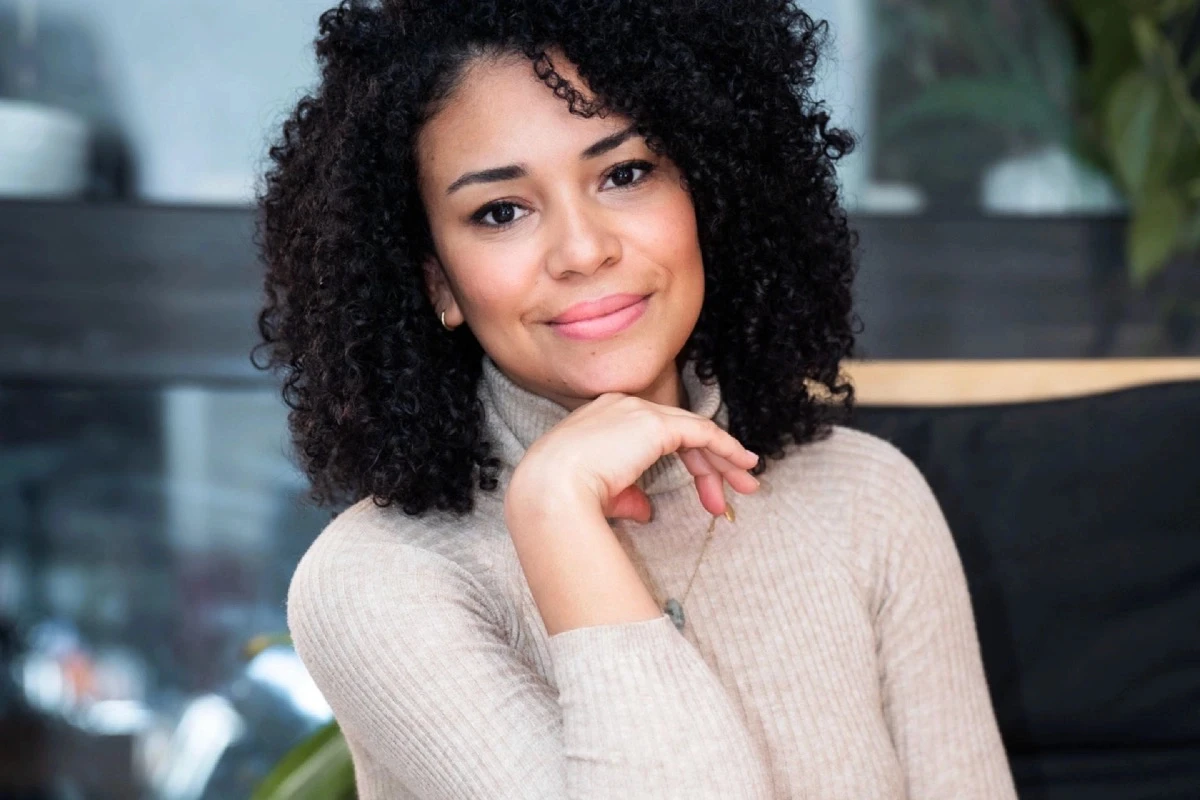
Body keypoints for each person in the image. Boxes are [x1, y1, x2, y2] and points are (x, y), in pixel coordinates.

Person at [252, 0, 1019, 797]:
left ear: (708, 196)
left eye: (624, 174)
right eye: (501, 211)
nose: (583, 250)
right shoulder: (377, 581)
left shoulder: (865, 498)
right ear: (438, 282)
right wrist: (555, 511)